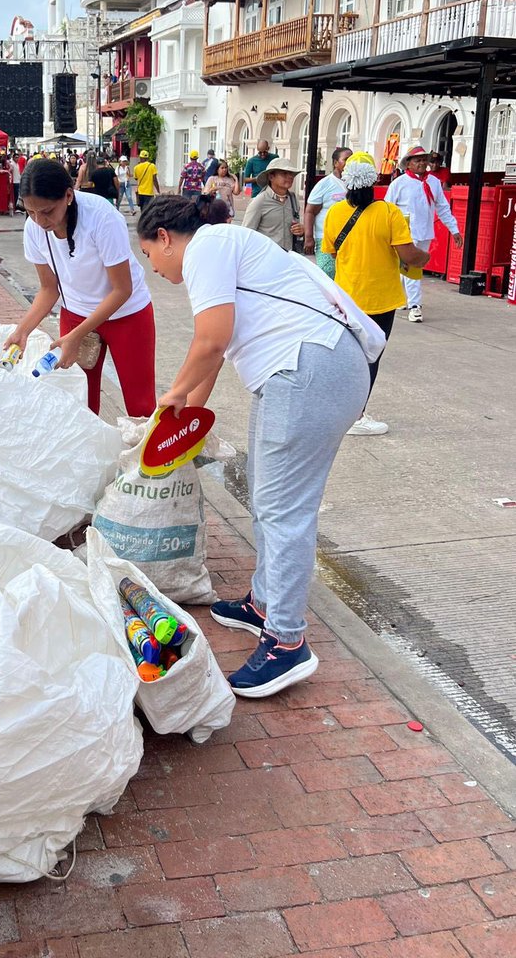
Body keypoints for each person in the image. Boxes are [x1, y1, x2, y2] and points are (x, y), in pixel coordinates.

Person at [136, 195, 374, 697]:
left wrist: (172, 397)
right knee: (269, 500)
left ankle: (287, 644)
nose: (152, 267)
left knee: (284, 510)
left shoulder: (206, 246)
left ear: (164, 237)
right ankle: (263, 604)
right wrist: (181, 419)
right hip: (306, 369)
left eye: (148, 254)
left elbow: (210, 342)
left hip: (308, 369)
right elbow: (213, 357)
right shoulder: (221, 249)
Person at [4, 158, 156, 417]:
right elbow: (49, 290)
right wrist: (23, 331)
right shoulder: (33, 229)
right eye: (31, 212)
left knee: (140, 405)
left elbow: (122, 290)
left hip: (126, 314)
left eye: (48, 211)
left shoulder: (102, 217)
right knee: (79, 404)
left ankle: (146, 455)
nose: (40, 221)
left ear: (68, 195)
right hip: (75, 313)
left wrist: (75, 336)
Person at [323, 152, 430, 437]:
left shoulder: (334, 213)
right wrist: (424, 257)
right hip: (381, 300)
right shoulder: (388, 213)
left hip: (345, 298)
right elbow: (408, 255)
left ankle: (337, 409)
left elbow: (333, 253)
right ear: (374, 181)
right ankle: (356, 416)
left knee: (345, 355)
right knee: (370, 358)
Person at [386, 146, 462, 322]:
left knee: (407, 267)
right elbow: (387, 209)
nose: (421, 163)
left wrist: (454, 229)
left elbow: (442, 207)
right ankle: (415, 306)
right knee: (413, 268)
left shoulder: (433, 182)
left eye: (423, 160)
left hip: (425, 232)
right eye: (417, 160)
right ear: (409, 164)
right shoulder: (399, 183)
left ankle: (401, 298)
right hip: (405, 232)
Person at [304, 146, 351, 277]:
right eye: (346, 159)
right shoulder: (325, 184)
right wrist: (309, 238)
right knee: (327, 275)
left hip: (350, 240)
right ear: (336, 163)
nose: (350, 162)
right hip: (326, 239)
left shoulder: (355, 185)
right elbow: (310, 211)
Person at [242, 157, 304, 251]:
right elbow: (246, 234)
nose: (290, 177)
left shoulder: (292, 199)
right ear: (271, 177)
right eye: (284, 173)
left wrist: (301, 230)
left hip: (289, 257)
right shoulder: (259, 201)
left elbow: (297, 225)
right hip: (266, 257)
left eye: (291, 174)